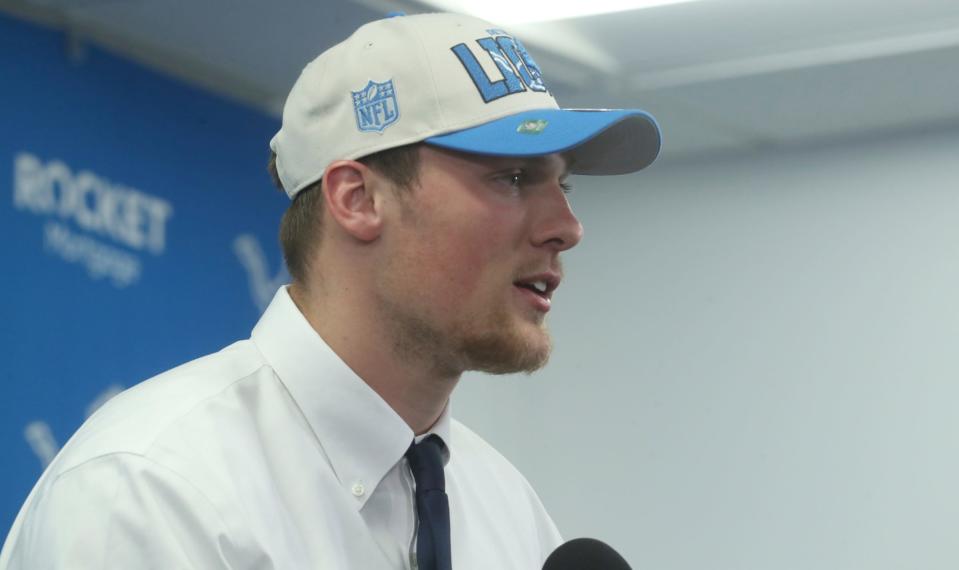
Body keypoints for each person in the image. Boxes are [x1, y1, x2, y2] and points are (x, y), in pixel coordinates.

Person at [0, 12, 660, 570]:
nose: (566, 229)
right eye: (512, 178)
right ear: (357, 198)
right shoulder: (153, 489)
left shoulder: (506, 509)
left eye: (562, 187)